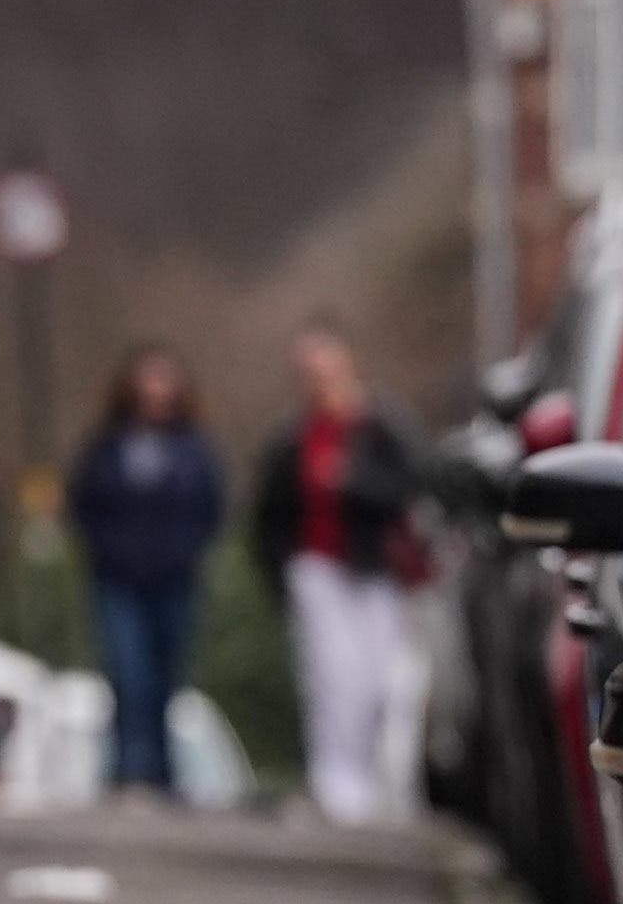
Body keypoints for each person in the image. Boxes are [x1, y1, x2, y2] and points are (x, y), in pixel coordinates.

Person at [252, 323, 431, 824]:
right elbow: (269, 515)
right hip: (316, 569)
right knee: (332, 679)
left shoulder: (383, 428)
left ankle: (380, 782)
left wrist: (347, 481)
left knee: (380, 682)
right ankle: (337, 785)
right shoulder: (291, 439)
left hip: (376, 571)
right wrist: (280, 575)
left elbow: (409, 491)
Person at [59, 347, 224, 798]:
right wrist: (107, 551)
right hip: (117, 580)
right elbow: (82, 506)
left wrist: (184, 552)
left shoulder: (193, 449)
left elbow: (211, 509)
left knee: (168, 676)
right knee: (127, 672)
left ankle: (163, 772)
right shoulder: (106, 448)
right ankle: (129, 770)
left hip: (175, 580)